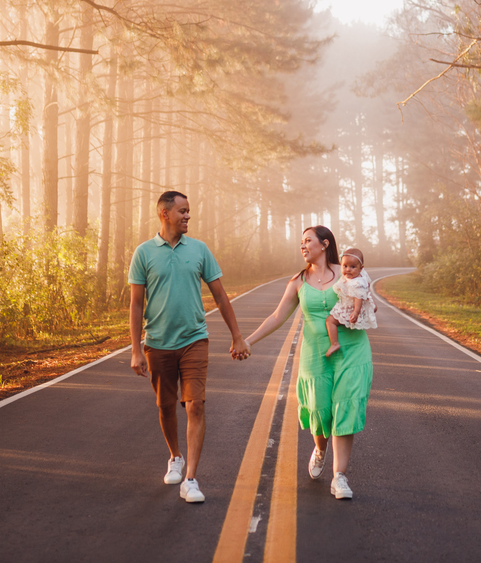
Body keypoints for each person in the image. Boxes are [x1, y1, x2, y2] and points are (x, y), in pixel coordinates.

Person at [129, 190, 250, 504]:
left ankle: (192, 480)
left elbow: (221, 296)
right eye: (182, 211)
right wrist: (135, 349)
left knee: (195, 405)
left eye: (189, 211)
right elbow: (135, 303)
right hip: (156, 343)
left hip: (194, 340)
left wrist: (237, 335)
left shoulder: (199, 250)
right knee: (165, 406)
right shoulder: (143, 253)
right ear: (164, 213)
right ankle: (175, 457)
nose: (188, 216)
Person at [244, 227, 373, 500]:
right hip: (315, 356)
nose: (303, 246)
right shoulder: (298, 282)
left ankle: (340, 477)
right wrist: (248, 341)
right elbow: (278, 316)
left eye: (308, 241)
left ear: (324, 244)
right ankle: (320, 448)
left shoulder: (347, 270)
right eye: (301, 242)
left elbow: (368, 299)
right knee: (320, 413)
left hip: (352, 351)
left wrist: (365, 306)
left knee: (345, 409)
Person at [325, 248, 377, 358]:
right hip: (350, 305)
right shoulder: (359, 277)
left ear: (360, 268)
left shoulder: (356, 283)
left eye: (353, 267)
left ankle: (334, 343)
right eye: (345, 266)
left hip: (350, 309)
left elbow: (359, 297)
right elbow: (366, 291)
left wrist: (356, 312)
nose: (348, 270)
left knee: (330, 321)